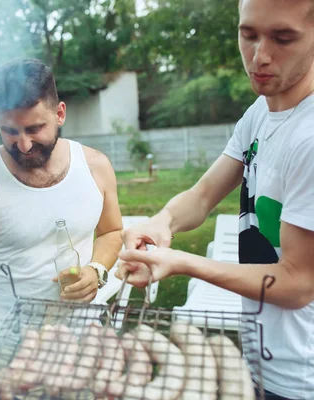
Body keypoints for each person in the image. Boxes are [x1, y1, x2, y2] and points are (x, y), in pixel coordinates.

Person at [115, 0, 314, 398]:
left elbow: (297, 282)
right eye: (249, 34)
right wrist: (161, 222)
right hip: (265, 358)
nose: (259, 56)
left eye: (283, 37)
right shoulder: (259, 113)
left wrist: (183, 263)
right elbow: (203, 194)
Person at [0, 58, 124, 397]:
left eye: (35, 129)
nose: (24, 145)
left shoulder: (96, 166)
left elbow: (111, 232)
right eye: (10, 131)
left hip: (84, 337)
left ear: (59, 114)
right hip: (10, 345)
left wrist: (97, 269)